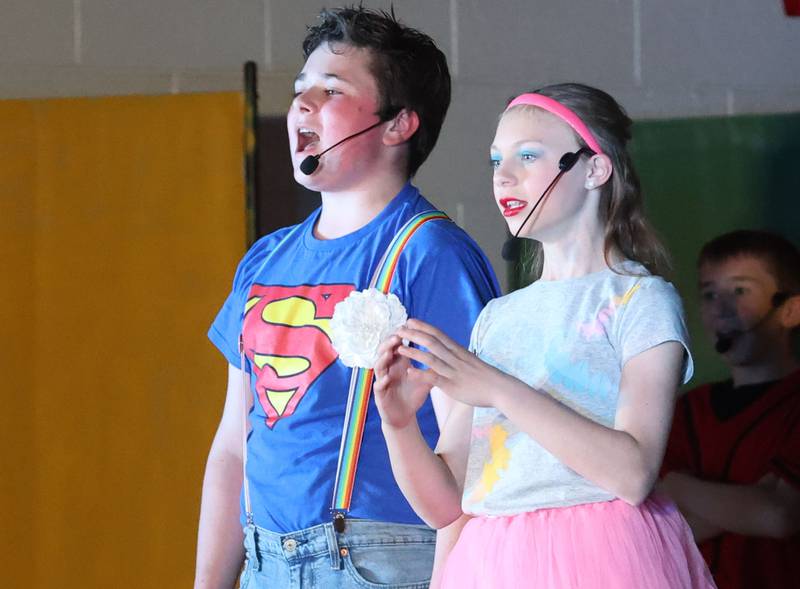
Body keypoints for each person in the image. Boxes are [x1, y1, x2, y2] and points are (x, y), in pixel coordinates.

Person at [193, 7, 499, 589]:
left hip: (379, 562)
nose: (302, 105)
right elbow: (233, 444)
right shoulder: (264, 259)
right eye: (299, 90)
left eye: (331, 90)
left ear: (398, 125)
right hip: (263, 562)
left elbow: (472, 456)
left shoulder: (429, 253)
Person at [373, 83, 715, 588]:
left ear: (594, 169)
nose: (503, 176)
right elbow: (446, 506)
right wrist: (399, 424)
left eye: (528, 156)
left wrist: (497, 389)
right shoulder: (497, 317)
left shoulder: (639, 300)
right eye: (496, 161)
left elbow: (633, 473)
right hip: (494, 562)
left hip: (603, 557)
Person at [660, 230, 800, 589]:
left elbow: (780, 515)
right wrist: (751, 504)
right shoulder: (685, 411)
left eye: (740, 290)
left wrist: (677, 485)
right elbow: (662, 530)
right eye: (710, 294)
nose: (721, 309)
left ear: (790, 309)